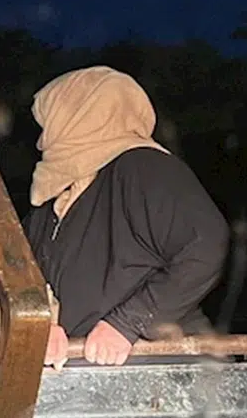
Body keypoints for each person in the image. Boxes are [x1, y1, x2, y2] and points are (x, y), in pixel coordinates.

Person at [26, 66, 230, 369]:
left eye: (51, 118)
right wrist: (41, 323)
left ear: (83, 114)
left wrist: (127, 323)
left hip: (165, 380)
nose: (43, 138)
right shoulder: (53, 194)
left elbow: (206, 242)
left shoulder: (142, 167)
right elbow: (29, 276)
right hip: (92, 385)